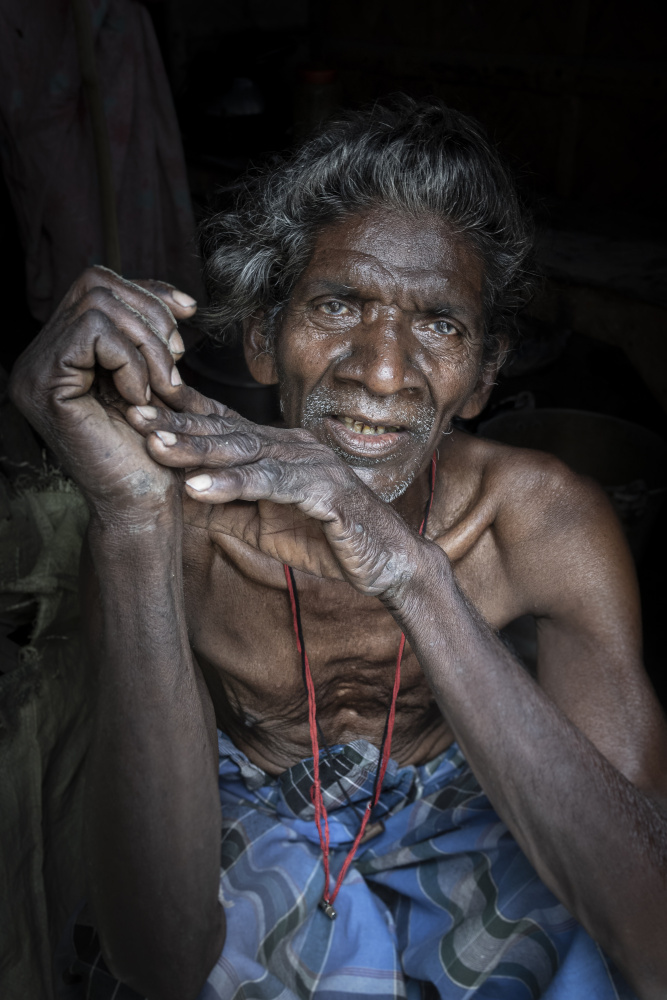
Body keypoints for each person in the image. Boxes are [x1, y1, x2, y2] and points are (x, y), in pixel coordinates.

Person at [10, 98, 667, 1000]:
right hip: (249, 814)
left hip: (467, 805)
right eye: (336, 304)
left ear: (481, 378)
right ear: (262, 342)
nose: (383, 370)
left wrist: (410, 569)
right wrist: (128, 520)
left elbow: (652, 930)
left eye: (438, 324)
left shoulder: (542, 520)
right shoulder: (176, 519)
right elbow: (160, 957)